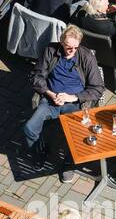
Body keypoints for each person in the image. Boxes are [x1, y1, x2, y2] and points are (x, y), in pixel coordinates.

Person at [24, 27, 105, 180]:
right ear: (61, 42)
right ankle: (39, 152)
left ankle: (69, 163)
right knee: (29, 128)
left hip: (73, 103)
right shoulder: (50, 51)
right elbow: (36, 76)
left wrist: (73, 97)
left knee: (77, 134)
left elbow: (98, 88)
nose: (71, 50)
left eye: (75, 47)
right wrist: (49, 93)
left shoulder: (86, 57)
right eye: (68, 47)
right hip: (50, 100)